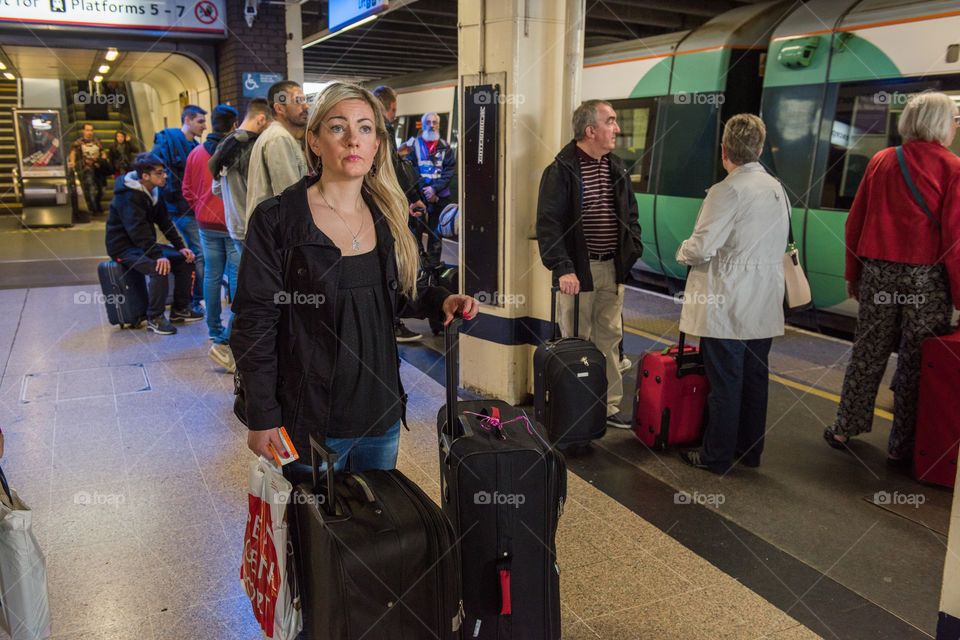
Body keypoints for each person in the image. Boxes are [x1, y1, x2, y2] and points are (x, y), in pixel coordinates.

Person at [231, 82, 479, 483]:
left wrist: (439, 300)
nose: (353, 140)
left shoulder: (387, 211)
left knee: (374, 535)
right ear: (313, 140)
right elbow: (253, 322)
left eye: (365, 128)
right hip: (310, 419)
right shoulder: (278, 219)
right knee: (312, 539)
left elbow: (394, 293)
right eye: (337, 127)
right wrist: (262, 415)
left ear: (378, 143)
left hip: (379, 414)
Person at [824, 91, 960, 468]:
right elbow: (955, 240)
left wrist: (853, 274)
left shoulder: (882, 160)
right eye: (953, 119)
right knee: (917, 361)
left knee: (868, 353)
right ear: (937, 123)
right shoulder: (953, 168)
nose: (955, 126)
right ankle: (902, 445)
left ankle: (843, 427)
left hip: (878, 274)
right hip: (926, 282)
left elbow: (855, 223)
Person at [673, 114, 789, 474]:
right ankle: (749, 452)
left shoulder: (727, 190)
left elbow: (701, 248)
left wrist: (681, 251)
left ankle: (715, 456)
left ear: (724, 151)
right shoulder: (775, 187)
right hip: (764, 301)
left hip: (726, 302)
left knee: (725, 382)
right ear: (758, 148)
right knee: (755, 379)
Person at [536, 99, 643, 429]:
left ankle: (608, 407)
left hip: (612, 269)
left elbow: (631, 216)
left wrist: (631, 250)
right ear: (590, 130)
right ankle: (578, 409)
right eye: (610, 121)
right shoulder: (562, 169)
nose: (617, 129)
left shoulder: (617, 168)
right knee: (577, 342)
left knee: (610, 339)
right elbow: (549, 223)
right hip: (578, 273)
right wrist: (563, 267)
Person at [105, 153, 202, 335]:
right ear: (145, 176)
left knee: (185, 259)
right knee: (159, 267)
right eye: (159, 173)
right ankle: (155, 318)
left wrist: (180, 247)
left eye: (164, 172)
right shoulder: (127, 197)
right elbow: (137, 231)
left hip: (142, 244)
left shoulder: (155, 192)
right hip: (123, 247)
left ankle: (180, 309)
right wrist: (157, 256)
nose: (164, 176)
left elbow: (165, 223)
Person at [183, 104, 240, 373]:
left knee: (211, 276)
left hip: (205, 224)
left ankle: (213, 329)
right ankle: (230, 332)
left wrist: (199, 207)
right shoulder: (232, 152)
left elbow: (186, 190)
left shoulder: (195, 153)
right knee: (238, 276)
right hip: (230, 224)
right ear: (233, 125)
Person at [373, 85, 429, 343]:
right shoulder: (384, 128)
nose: (395, 114)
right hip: (388, 209)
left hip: (386, 207)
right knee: (393, 263)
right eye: (394, 109)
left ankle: (389, 320)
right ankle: (393, 323)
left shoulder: (379, 130)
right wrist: (406, 200)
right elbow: (392, 169)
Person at [151, 105, 208, 315]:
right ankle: (194, 300)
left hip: (190, 209)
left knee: (195, 253)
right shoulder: (168, 141)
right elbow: (153, 168)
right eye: (200, 121)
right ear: (188, 120)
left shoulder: (193, 145)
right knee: (199, 253)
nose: (204, 126)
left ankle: (190, 300)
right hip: (179, 209)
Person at [208, 98, 273, 255]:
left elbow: (216, 189)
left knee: (248, 275)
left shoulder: (225, 143)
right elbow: (262, 193)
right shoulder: (254, 147)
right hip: (256, 229)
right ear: (261, 119)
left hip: (235, 226)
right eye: (270, 126)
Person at [245, 81, 309, 218]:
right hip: (274, 232)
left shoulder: (280, 136)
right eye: (298, 101)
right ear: (280, 109)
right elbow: (289, 195)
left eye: (305, 100)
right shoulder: (279, 138)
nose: (306, 106)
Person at [402, 112, 455, 272]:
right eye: (428, 122)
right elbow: (410, 168)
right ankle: (417, 265)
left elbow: (449, 170)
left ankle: (433, 267)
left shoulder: (445, 146)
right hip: (420, 195)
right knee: (415, 231)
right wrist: (426, 189)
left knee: (436, 233)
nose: (431, 125)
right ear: (423, 125)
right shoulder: (414, 145)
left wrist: (434, 189)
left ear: (438, 125)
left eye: (435, 122)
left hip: (439, 197)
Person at [69, 123, 107, 214]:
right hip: (87, 168)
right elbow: (73, 152)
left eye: (91, 130)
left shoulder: (97, 141)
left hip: (99, 168)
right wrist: (72, 161)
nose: (89, 132)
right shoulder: (79, 142)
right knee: (91, 188)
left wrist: (103, 160)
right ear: (83, 131)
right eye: (87, 130)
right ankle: (94, 208)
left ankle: (97, 204)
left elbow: (102, 152)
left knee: (102, 188)